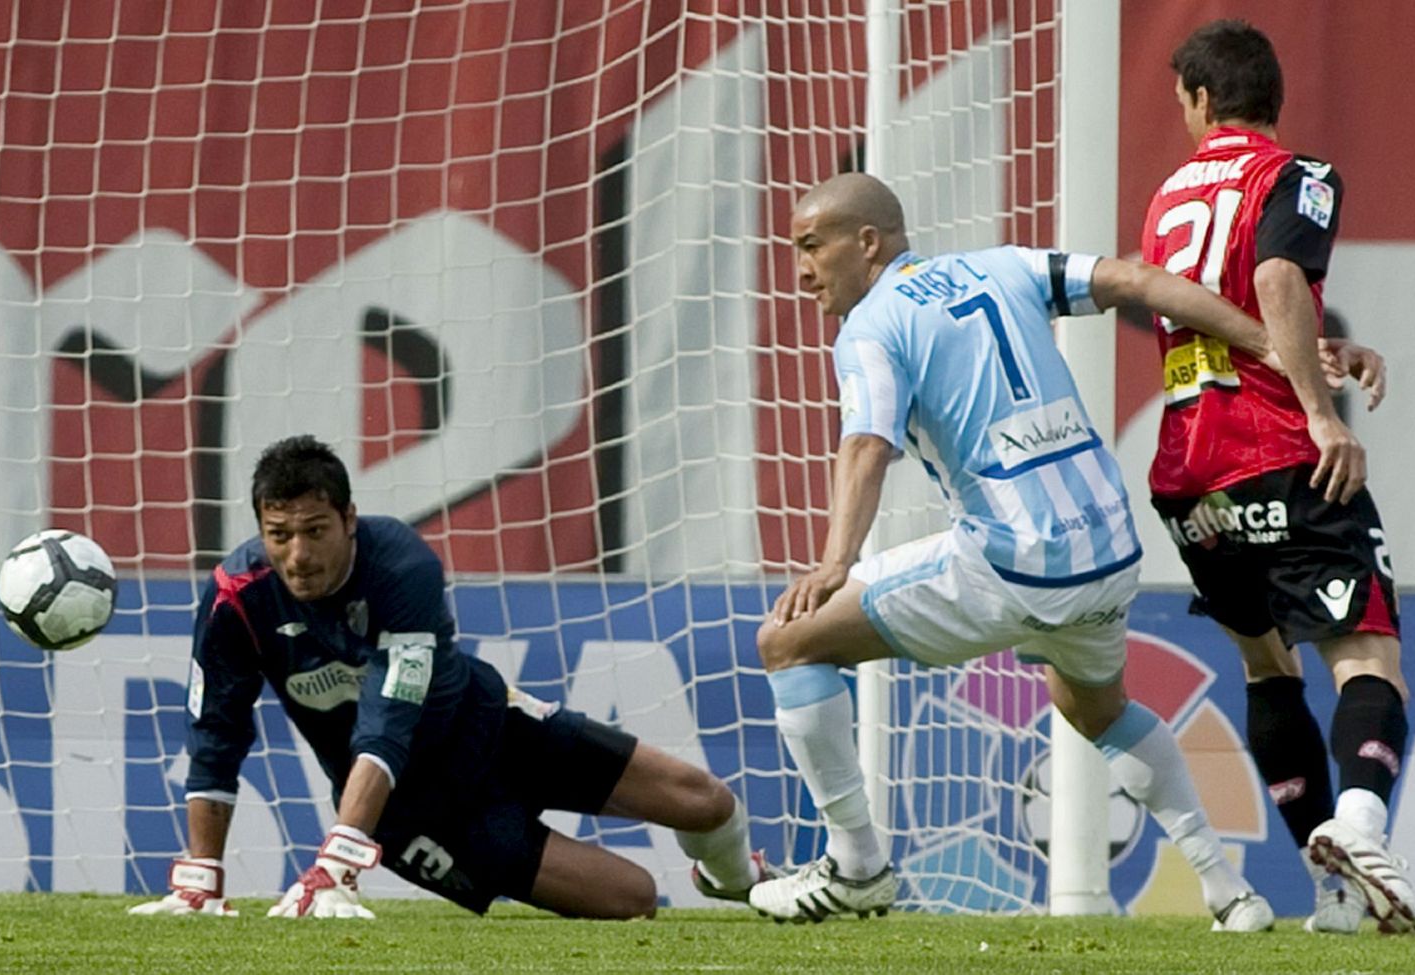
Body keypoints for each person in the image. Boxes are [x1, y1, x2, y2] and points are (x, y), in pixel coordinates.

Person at [745, 172, 1280, 930]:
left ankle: (856, 866)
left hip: (1015, 560)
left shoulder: (870, 327)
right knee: (1093, 706)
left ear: (866, 243)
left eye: (810, 245)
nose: (801, 271)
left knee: (788, 643)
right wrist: (1267, 341)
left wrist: (836, 562)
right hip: (1110, 550)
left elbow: (866, 442)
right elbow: (1138, 279)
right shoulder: (1005, 265)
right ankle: (1230, 890)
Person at [130, 435, 774, 920]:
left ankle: (734, 880)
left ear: (349, 519)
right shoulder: (237, 598)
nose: (298, 556)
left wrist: (341, 855)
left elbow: (391, 716)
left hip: (492, 729)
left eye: (315, 531)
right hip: (418, 813)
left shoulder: (401, 564)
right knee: (634, 901)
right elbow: (215, 733)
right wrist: (201, 873)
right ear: (261, 531)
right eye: (279, 535)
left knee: (705, 802)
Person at [1142, 20, 1415, 935]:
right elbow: (1273, 275)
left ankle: (1335, 894)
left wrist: (1317, 354)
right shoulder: (1294, 174)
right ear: (1274, 99)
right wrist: (1319, 411)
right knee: (1367, 655)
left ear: (1198, 98)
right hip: (1278, 455)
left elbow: (1221, 315)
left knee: (1267, 667)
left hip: (1192, 476)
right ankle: (1363, 828)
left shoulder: (1167, 197)